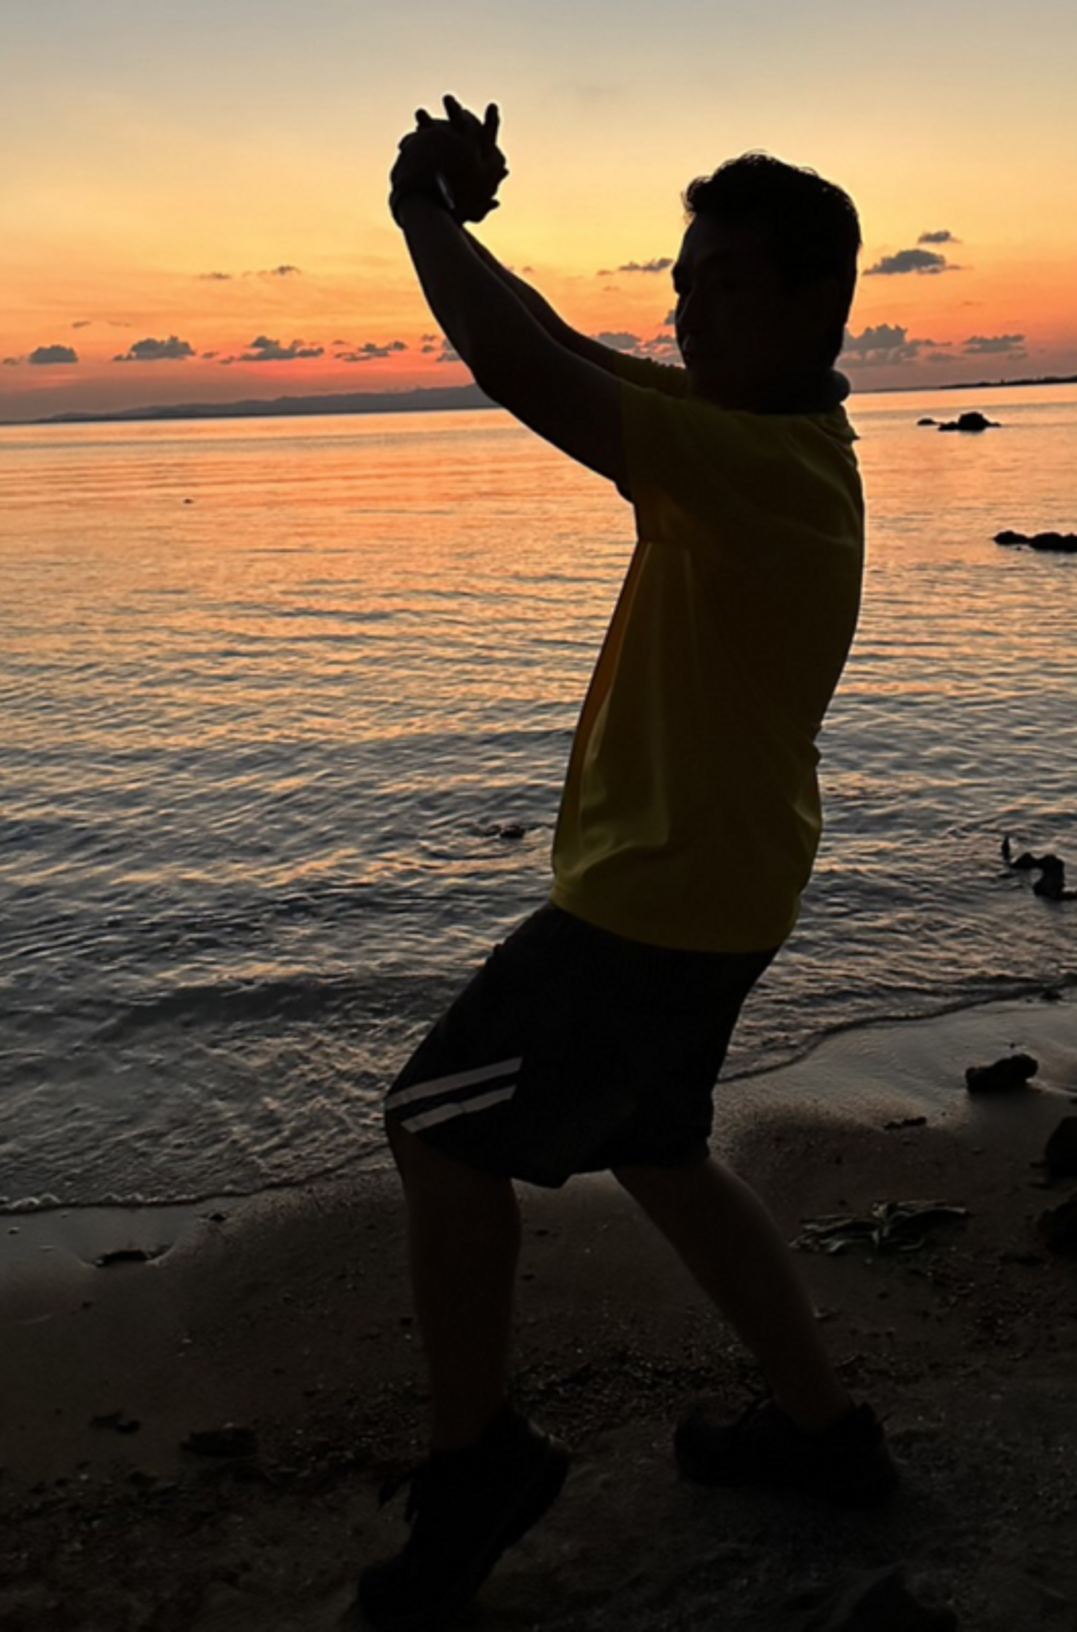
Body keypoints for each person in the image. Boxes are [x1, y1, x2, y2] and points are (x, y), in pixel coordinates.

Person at [357, 96, 893, 1630]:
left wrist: (419, 213)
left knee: (436, 1129)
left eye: (725, 282)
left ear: (815, 304)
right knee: (657, 1147)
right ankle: (821, 1432)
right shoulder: (756, 438)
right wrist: (468, 229)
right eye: (683, 278)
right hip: (721, 883)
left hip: (655, 903)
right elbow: (559, 344)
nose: (687, 309)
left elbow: (515, 367)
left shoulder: (757, 471)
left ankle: (480, 1464)